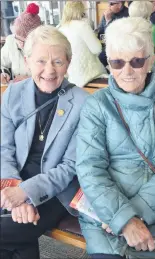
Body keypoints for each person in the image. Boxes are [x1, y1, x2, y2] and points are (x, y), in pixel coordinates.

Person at [76, 17, 155, 259]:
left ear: (150, 61)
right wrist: (123, 219)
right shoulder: (96, 105)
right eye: (118, 62)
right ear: (109, 64)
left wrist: (135, 215)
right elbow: (90, 168)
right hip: (105, 216)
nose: (127, 71)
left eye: (137, 61)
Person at [0, 25, 88, 259]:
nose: (49, 70)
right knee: (17, 237)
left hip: (56, 190)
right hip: (12, 181)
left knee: (7, 233)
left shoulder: (82, 103)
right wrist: (16, 191)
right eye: (41, 61)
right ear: (27, 61)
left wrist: (27, 192)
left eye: (58, 62)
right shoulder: (13, 94)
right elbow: (4, 148)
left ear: (68, 63)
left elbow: (70, 166)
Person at [59, 1, 107, 88]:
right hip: (88, 75)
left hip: (70, 76)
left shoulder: (61, 28)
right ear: (80, 11)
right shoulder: (82, 25)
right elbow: (97, 49)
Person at [1, 3, 41, 85]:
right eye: (18, 39)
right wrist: (4, 73)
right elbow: (2, 63)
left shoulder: (46, 44)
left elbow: (59, 76)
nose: (20, 44)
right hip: (18, 90)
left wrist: (30, 79)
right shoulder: (11, 41)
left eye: (25, 41)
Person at [97, 0, 128, 67]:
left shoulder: (127, 15)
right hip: (107, 46)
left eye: (111, 4)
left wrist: (108, 20)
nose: (108, 6)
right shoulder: (107, 13)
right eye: (108, 3)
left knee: (100, 59)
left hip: (120, 48)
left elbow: (114, 35)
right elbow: (101, 30)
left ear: (119, 5)